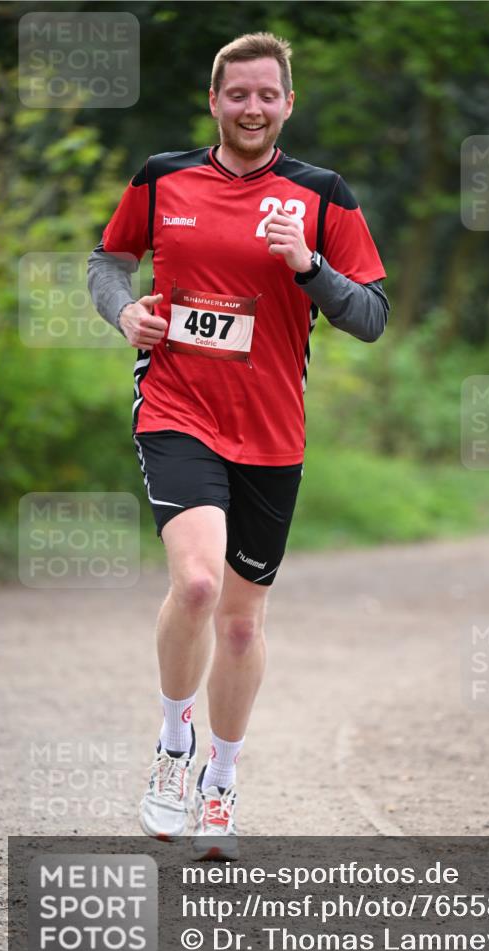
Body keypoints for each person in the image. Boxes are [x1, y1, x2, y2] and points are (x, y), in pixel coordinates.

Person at [87, 32, 388, 859]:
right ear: (214, 101)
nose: (251, 108)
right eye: (237, 94)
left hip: (270, 432)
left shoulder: (322, 195)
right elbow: (108, 260)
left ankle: (221, 778)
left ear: (287, 103)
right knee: (193, 585)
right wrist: (124, 314)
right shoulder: (161, 177)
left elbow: (369, 317)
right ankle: (173, 748)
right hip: (177, 406)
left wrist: (308, 266)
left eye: (266, 95)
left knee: (244, 628)